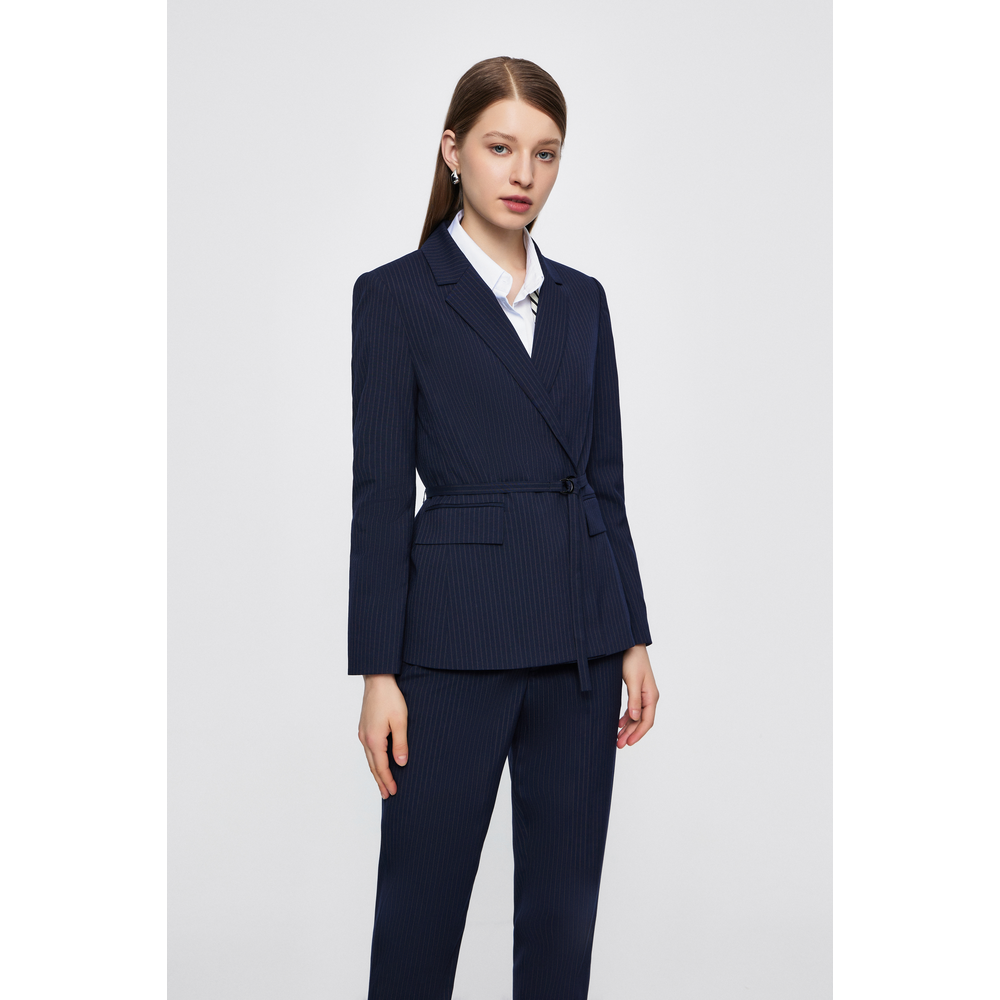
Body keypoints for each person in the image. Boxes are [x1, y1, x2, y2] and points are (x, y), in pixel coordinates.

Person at [350, 55, 659, 1000]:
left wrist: (633, 634)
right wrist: (377, 673)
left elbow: (604, 483)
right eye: (500, 148)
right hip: (453, 645)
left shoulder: (583, 300)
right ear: (453, 152)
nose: (524, 174)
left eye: (546, 154)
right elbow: (379, 494)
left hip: (580, 641)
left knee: (564, 926)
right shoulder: (397, 296)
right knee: (419, 918)